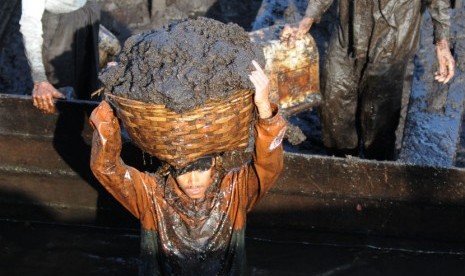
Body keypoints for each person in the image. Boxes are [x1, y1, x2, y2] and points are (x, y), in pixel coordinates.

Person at [89, 60, 287, 275]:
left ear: (215, 164)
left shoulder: (236, 191)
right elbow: (106, 168)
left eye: (201, 170)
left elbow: (268, 165)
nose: (193, 182)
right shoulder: (151, 195)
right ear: (169, 168)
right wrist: (109, 106)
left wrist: (264, 107)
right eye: (183, 172)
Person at [280, 0, 455, 160]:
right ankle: (340, 163)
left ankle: (379, 168)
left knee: (378, 117)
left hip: (395, 29)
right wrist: (308, 17)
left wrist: (442, 42)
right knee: (334, 101)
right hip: (349, 29)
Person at [20, 0, 100, 113]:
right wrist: (40, 79)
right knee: (59, 95)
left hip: (87, 14)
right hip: (59, 29)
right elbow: (30, 24)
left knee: (88, 85)